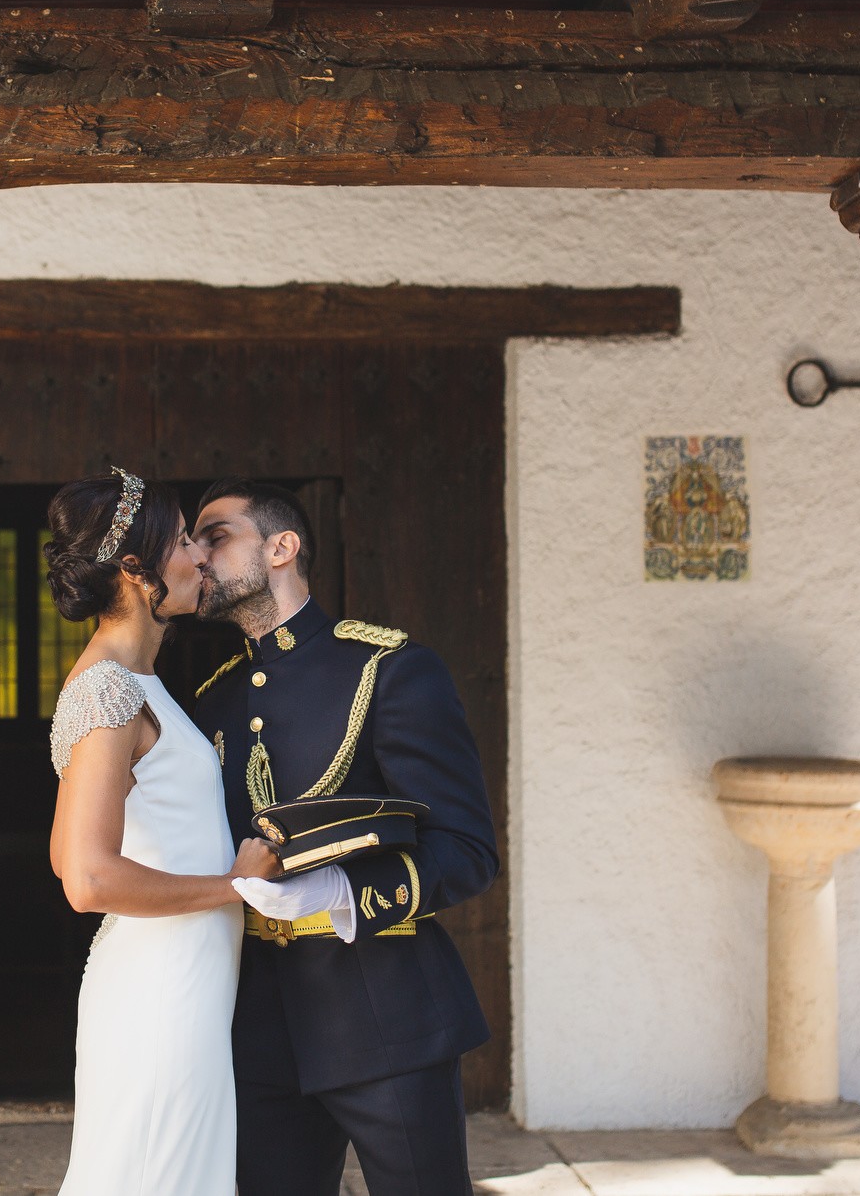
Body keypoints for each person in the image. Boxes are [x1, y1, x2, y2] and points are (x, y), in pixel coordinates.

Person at [192, 477, 500, 1196]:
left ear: (281, 547)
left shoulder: (388, 669)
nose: (199, 555)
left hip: (385, 1012)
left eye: (217, 536)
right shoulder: (214, 699)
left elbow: (468, 849)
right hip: (259, 1026)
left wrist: (340, 891)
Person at [43, 467, 282, 1196]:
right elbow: (85, 877)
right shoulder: (108, 689)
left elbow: (62, 851)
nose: (200, 556)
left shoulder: (138, 682)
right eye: (182, 540)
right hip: (160, 990)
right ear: (133, 567)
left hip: (185, 980)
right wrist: (234, 885)